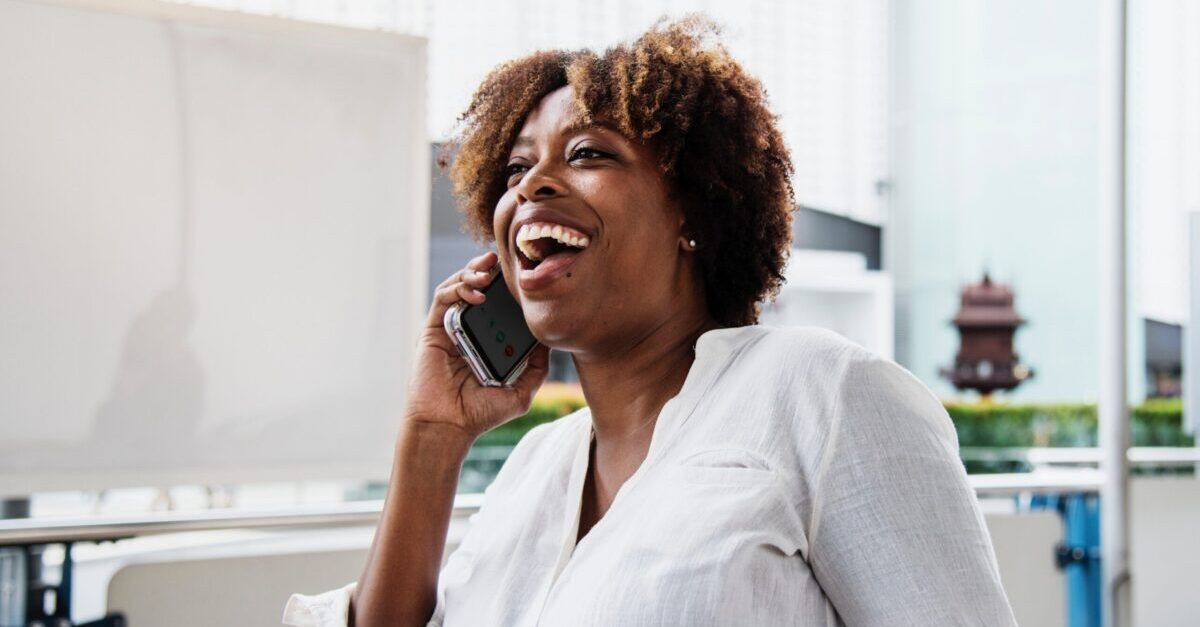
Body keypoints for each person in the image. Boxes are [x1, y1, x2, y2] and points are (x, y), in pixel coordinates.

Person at [284, 14, 1018, 627]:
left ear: (693, 211)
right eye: (513, 171)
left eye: (587, 154)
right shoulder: (532, 469)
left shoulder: (825, 394)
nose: (533, 183)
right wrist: (432, 438)